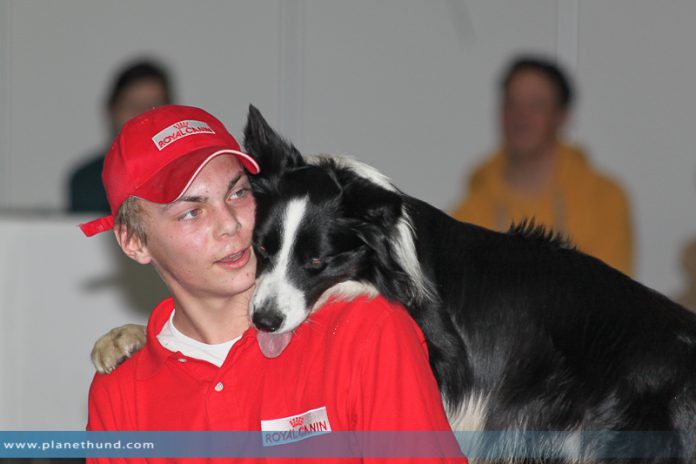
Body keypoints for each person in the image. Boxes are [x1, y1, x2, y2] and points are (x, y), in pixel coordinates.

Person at [80, 105, 467, 463]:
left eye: (238, 192)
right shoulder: (120, 391)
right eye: (192, 212)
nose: (230, 223)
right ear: (134, 241)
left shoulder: (365, 331)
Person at [451, 56, 633, 276]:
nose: (520, 117)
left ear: (562, 117)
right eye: (512, 103)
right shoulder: (470, 209)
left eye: (536, 105)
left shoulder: (604, 199)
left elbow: (612, 299)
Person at [68, 59, 173, 213]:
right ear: (112, 111)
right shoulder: (87, 180)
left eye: (153, 107)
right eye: (133, 106)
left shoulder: (190, 174)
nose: (143, 116)